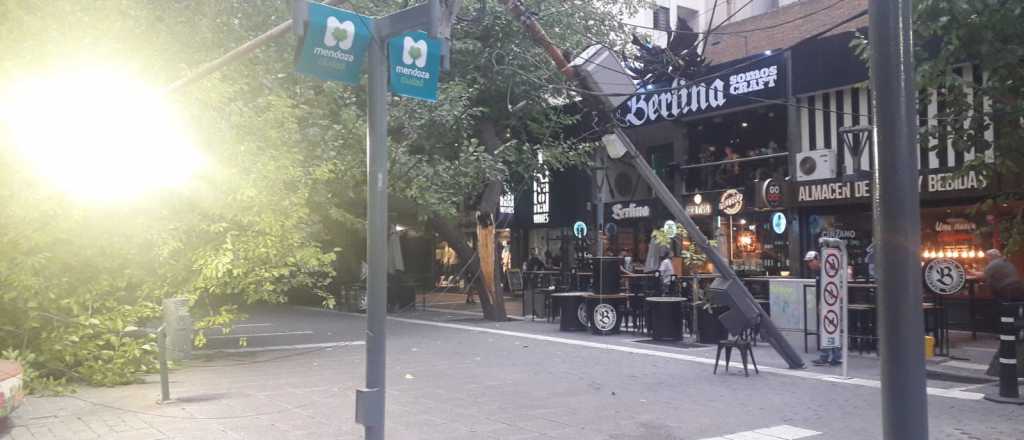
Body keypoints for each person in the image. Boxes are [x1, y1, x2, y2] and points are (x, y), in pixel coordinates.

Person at [805, 250, 842, 367]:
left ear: (817, 260)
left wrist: (821, 304)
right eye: (808, 262)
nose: (809, 264)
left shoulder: (824, 271)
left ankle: (829, 356)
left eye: (811, 261)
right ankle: (832, 356)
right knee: (829, 329)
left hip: (828, 305)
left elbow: (827, 289)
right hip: (827, 304)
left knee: (828, 329)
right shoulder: (819, 272)